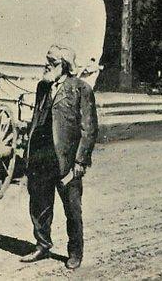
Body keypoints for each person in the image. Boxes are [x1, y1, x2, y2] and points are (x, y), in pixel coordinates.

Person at [20, 44, 98, 270]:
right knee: (39, 205)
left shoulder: (81, 89)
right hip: (41, 157)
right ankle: (42, 245)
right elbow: (36, 119)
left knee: (72, 209)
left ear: (64, 66)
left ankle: (75, 252)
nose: (47, 65)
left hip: (66, 160)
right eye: (47, 60)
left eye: (52, 62)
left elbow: (89, 128)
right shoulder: (42, 87)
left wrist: (81, 161)